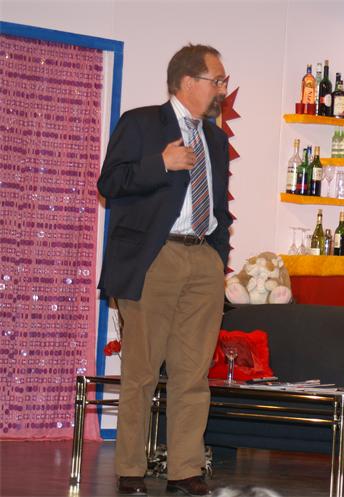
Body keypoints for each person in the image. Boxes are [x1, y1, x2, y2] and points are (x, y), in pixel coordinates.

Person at [97, 44, 232, 496]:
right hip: (155, 257)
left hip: (202, 258)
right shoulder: (140, 123)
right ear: (188, 81)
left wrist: (217, 257)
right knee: (141, 373)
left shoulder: (215, 138)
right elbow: (110, 183)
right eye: (216, 80)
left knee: (193, 375)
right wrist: (161, 163)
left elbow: (219, 206)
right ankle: (131, 469)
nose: (221, 89)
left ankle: (184, 471)